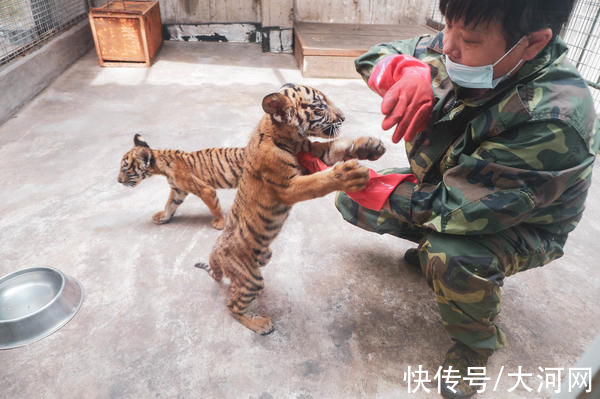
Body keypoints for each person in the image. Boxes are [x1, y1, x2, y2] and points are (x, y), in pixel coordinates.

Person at [334, 1, 600, 398]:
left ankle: (475, 345)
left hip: (520, 222)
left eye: (469, 39)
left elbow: (464, 209)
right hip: (457, 184)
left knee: (452, 254)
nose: (448, 47)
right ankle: (432, 258)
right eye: (448, 28)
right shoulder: (463, 44)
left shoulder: (552, 116)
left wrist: (380, 188)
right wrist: (407, 71)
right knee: (350, 198)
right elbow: (376, 54)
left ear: (533, 43)